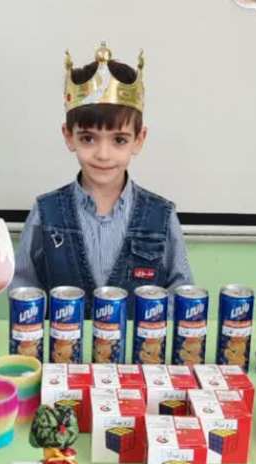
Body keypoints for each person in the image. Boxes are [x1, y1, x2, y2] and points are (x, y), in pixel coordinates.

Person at [11, 42, 193, 317]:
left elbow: (181, 294)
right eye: (88, 138)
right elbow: (23, 288)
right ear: (68, 136)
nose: (103, 154)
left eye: (119, 140)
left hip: (140, 346)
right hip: (61, 346)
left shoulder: (162, 215)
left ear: (139, 139)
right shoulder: (45, 212)